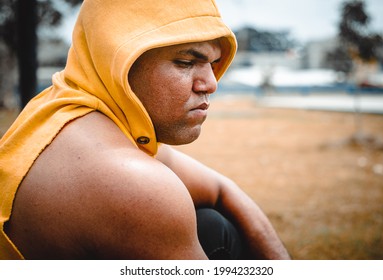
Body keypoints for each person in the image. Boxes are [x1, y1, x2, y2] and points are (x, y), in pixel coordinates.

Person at [0, 0, 290, 260]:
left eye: (213, 63)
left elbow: (222, 188)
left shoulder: (58, 111)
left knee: (211, 226)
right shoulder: (129, 179)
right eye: (186, 62)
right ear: (120, 62)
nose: (211, 83)